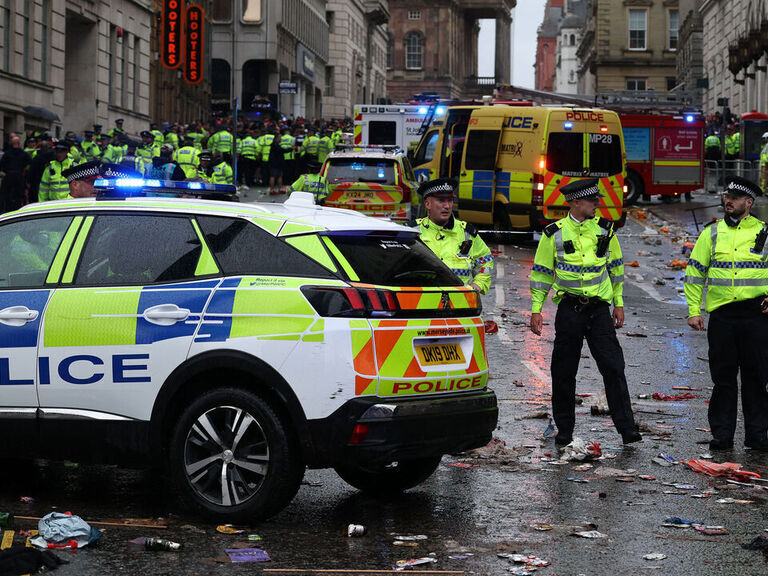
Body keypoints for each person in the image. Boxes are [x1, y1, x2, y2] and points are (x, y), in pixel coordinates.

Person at [529, 178, 641, 446]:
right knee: (563, 371)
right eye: (592, 200)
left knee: (614, 367)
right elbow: (541, 273)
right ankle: (564, 430)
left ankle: (627, 429)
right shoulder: (554, 233)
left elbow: (616, 269)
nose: (597, 204)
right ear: (575, 202)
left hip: (599, 309)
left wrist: (619, 303)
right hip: (569, 309)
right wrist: (536, 309)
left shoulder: (605, 230)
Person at [684, 176, 768, 451]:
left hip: (756, 316)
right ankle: (722, 436)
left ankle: (757, 436)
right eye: (726, 197)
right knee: (722, 379)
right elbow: (695, 273)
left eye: (734, 198)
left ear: (749, 202)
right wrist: (693, 310)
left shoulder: (764, 232)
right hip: (722, 317)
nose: (727, 201)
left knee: (756, 378)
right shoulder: (712, 233)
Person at [416, 178, 494, 294]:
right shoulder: (414, 232)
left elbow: (485, 261)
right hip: (422, 301)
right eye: (441, 201)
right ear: (428, 204)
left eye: (450, 200)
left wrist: (478, 284)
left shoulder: (466, 233)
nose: (447, 206)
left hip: (459, 302)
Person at [0, 134, 31, 213]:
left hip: (8, 177)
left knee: (6, 197)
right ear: (19, 143)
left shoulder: (7, 153)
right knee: (19, 196)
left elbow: (1, 164)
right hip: (19, 177)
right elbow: (29, 163)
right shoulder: (23, 153)